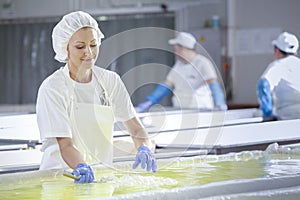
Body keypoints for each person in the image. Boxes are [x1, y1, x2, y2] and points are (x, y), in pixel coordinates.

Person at [36, 11, 157, 183]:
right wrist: (81, 167)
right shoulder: (53, 88)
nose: (89, 52)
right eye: (80, 46)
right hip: (61, 177)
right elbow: (65, 145)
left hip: (100, 177)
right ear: (65, 48)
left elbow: (136, 128)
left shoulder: (110, 81)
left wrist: (144, 147)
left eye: (93, 44)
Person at [137, 32, 227, 112]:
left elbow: (214, 85)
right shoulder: (178, 65)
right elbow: (166, 85)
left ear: (183, 48)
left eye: (176, 50)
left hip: (200, 111)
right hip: (181, 110)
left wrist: (220, 103)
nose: (175, 53)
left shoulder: (202, 63)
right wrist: (150, 101)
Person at [257, 31, 300, 120]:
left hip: (288, 116)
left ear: (277, 50)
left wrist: (267, 112)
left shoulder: (278, 65)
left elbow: (263, 84)